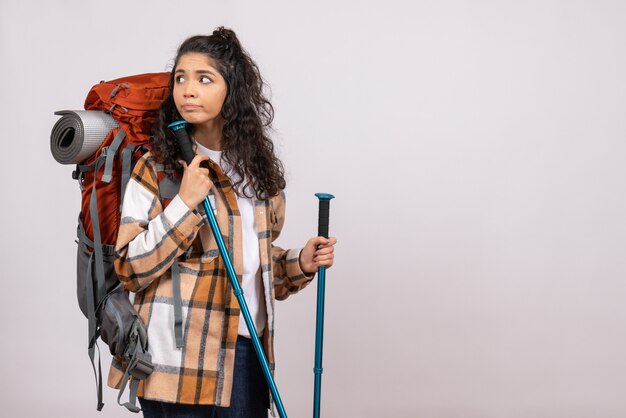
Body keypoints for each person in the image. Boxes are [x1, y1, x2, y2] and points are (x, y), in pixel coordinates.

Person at [107, 27, 337, 418]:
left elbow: (250, 267)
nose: (187, 90)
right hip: (173, 362)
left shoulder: (258, 175)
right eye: (180, 78)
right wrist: (184, 203)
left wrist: (299, 263)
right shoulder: (157, 169)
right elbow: (130, 267)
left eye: (204, 78)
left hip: (243, 352)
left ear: (232, 89)